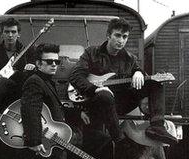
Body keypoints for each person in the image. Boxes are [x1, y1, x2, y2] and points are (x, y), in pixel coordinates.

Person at [69, 17, 177, 145]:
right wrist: (95, 89)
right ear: (108, 35)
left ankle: (157, 127)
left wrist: (139, 72)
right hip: (95, 102)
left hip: (119, 103)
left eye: (125, 37)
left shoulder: (130, 59)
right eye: (118, 35)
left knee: (155, 83)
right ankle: (119, 140)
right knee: (105, 95)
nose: (121, 40)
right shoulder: (91, 52)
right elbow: (75, 76)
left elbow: (138, 71)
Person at [0, 17, 35, 113]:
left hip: (20, 94)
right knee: (3, 81)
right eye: (7, 32)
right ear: (2, 34)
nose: (10, 35)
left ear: (18, 34)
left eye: (13, 32)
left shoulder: (28, 51)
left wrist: (31, 68)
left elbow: (34, 76)